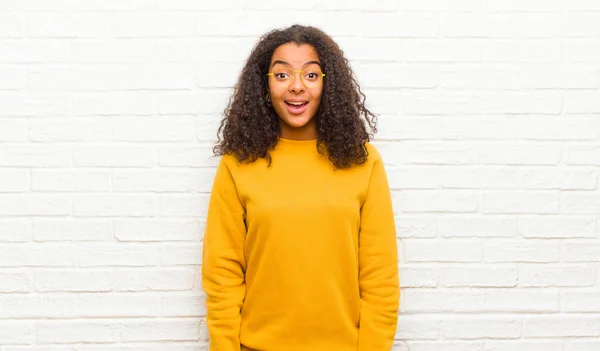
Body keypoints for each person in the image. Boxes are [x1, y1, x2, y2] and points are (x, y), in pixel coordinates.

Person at [201, 24, 400, 351]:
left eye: (310, 75)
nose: (296, 87)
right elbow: (222, 275)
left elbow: (380, 278)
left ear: (327, 84)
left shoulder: (364, 163)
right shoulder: (237, 165)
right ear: (264, 86)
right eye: (282, 75)